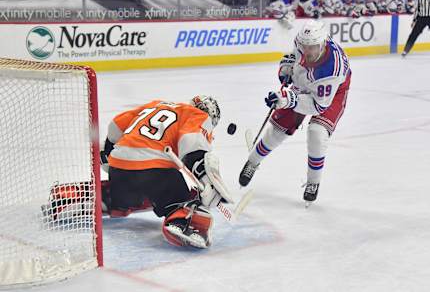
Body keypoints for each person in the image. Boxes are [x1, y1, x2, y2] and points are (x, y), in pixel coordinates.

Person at [238, 20, 352, 206]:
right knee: (277, 131)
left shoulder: (332, 70)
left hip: (330, 93)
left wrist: (287, 99)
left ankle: (313, 182)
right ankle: (253, 161)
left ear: (322, 43)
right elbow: (292, 60)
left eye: (313, 47)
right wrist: (285, 69)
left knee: (317, 132)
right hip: (306, 83)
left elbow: (318, 106)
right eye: (305, 46)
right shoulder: (303, 43)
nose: (308, 51)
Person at [100, 96, 232, 249]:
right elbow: (192, 146)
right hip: (152, 173)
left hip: (118, 170)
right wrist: (207, 182)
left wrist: (110, 152)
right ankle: (181, 219)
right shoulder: (197, 115)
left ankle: (111, 198)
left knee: (136, 192)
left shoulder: (156, 104)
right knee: (187, 197)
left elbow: (115, 126)